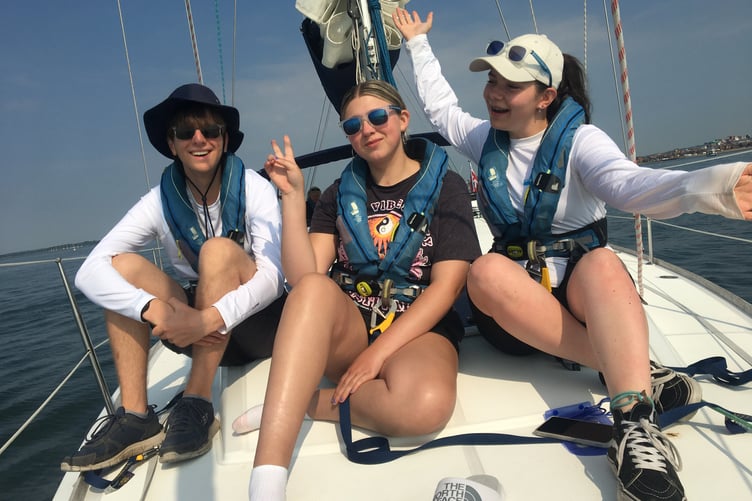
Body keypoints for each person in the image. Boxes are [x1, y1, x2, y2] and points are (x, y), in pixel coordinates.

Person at [392, 9, 752, 501]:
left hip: (581, 299)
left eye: (511, 86)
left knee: (602, 261)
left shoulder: (582, 142)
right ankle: (638, 371)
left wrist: (707, 187)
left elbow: (628, 185)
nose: (494, 93)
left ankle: (633, 425)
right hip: (516, 318)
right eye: (492, 81)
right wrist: (417, 44)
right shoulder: (483, 140)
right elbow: (441, 108)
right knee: (486, 270)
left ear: (546, 97)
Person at [234, 80, 481, 500]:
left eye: (378, 116)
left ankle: (305, 403)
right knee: (313, 290)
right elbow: (305, 277)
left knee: (424, 408)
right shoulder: (336, 194)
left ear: (403, 120)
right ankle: (266, 483)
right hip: (351, 323)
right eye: (353, 125)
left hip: (418, 327)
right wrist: (292, 198)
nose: (366, 129)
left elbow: (447, 287)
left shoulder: (447, 186)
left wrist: (376, 355)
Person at [61, 83, 286, 472]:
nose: (199, 139)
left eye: (210, 130)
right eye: (186, 132)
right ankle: (136, 416)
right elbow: (90, 269)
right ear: (172, 142)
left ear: (224, 139)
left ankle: (197, 401)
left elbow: (274, 276)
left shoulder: (255, 187)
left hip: (257, 326)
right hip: (195, 329)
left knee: (217, 250)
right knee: (122, 267)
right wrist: (150, 309)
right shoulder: (157, 202)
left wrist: (208, 319)